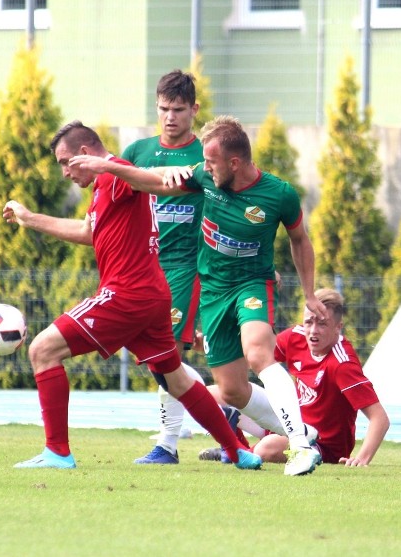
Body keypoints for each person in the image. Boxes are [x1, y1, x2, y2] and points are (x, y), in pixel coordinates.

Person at [70, 115, 327, 475]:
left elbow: (300, 240)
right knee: (234, 390)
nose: (203, 167)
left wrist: (310, 293)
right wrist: (107, 165)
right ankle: (305, 431)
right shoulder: (206, 177)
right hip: (213, 292)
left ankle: (299, 447)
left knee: (258, 353)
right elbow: (153, 182)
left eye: (210, 161)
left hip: (253, 284)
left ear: (234, 163)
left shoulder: (278, 194)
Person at [3, 120, 261, 470]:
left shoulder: (116, 175)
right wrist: (29, 218)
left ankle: (57, 452)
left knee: (42, 350)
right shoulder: (104, 186)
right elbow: (85, 231)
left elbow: (147, 176)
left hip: (127, 293)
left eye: (66, 162)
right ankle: (236, 449)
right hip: (152, 295)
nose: (64, 172)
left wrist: (177, 169)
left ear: (84, 153)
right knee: (176, 378)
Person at [121, 70, 206, 465]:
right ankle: (216, 408)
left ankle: (168, 443)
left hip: (185, 267)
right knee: (159, 357)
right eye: (163, 109)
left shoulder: (208, 154)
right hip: (142, 267)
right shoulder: (137, 151)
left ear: (194, 110)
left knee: (167, 351)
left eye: (178, 109)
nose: (170, 117)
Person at [250, 288, 390, 466]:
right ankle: (232, 448)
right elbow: (257, 356)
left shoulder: (342, 364)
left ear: (338, 327)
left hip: (323, 447)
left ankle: (241, 453)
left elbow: (380, 418)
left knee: (268, 447)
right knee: (230, 393)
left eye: (322, 324)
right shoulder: (296, 337)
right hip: (292, 427)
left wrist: (361, 459)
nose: (313, 331)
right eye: (309, 322)